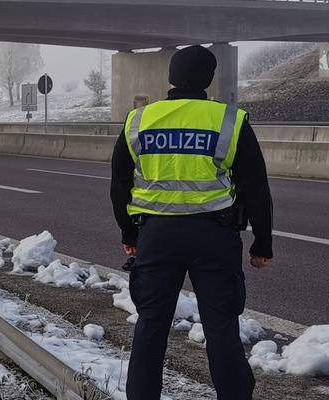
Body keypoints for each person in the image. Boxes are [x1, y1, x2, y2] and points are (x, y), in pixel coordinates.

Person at [110, 45, 274, 400]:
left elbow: (119, 183)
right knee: (221, 329)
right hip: (214, 237)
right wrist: (263, 243)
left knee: (151, 325)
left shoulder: (138, 120)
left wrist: (129, 232)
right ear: (209, 79)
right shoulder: (229, 120)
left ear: (170, 77)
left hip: (156, 236)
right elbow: (256, 187)